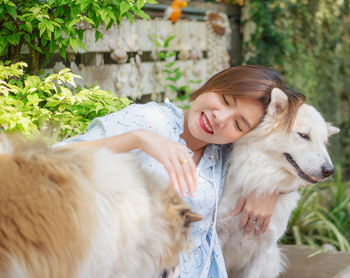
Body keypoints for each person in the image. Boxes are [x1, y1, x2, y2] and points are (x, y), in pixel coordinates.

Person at [56, 65, 305, 278]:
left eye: (239, 124)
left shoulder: (224, 154)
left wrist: (268, 191)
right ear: (214, 84)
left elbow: (303, 162)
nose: (221, 118)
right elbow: (56, 158)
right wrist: (138, 139)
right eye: (226, 100)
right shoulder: (149, 120)